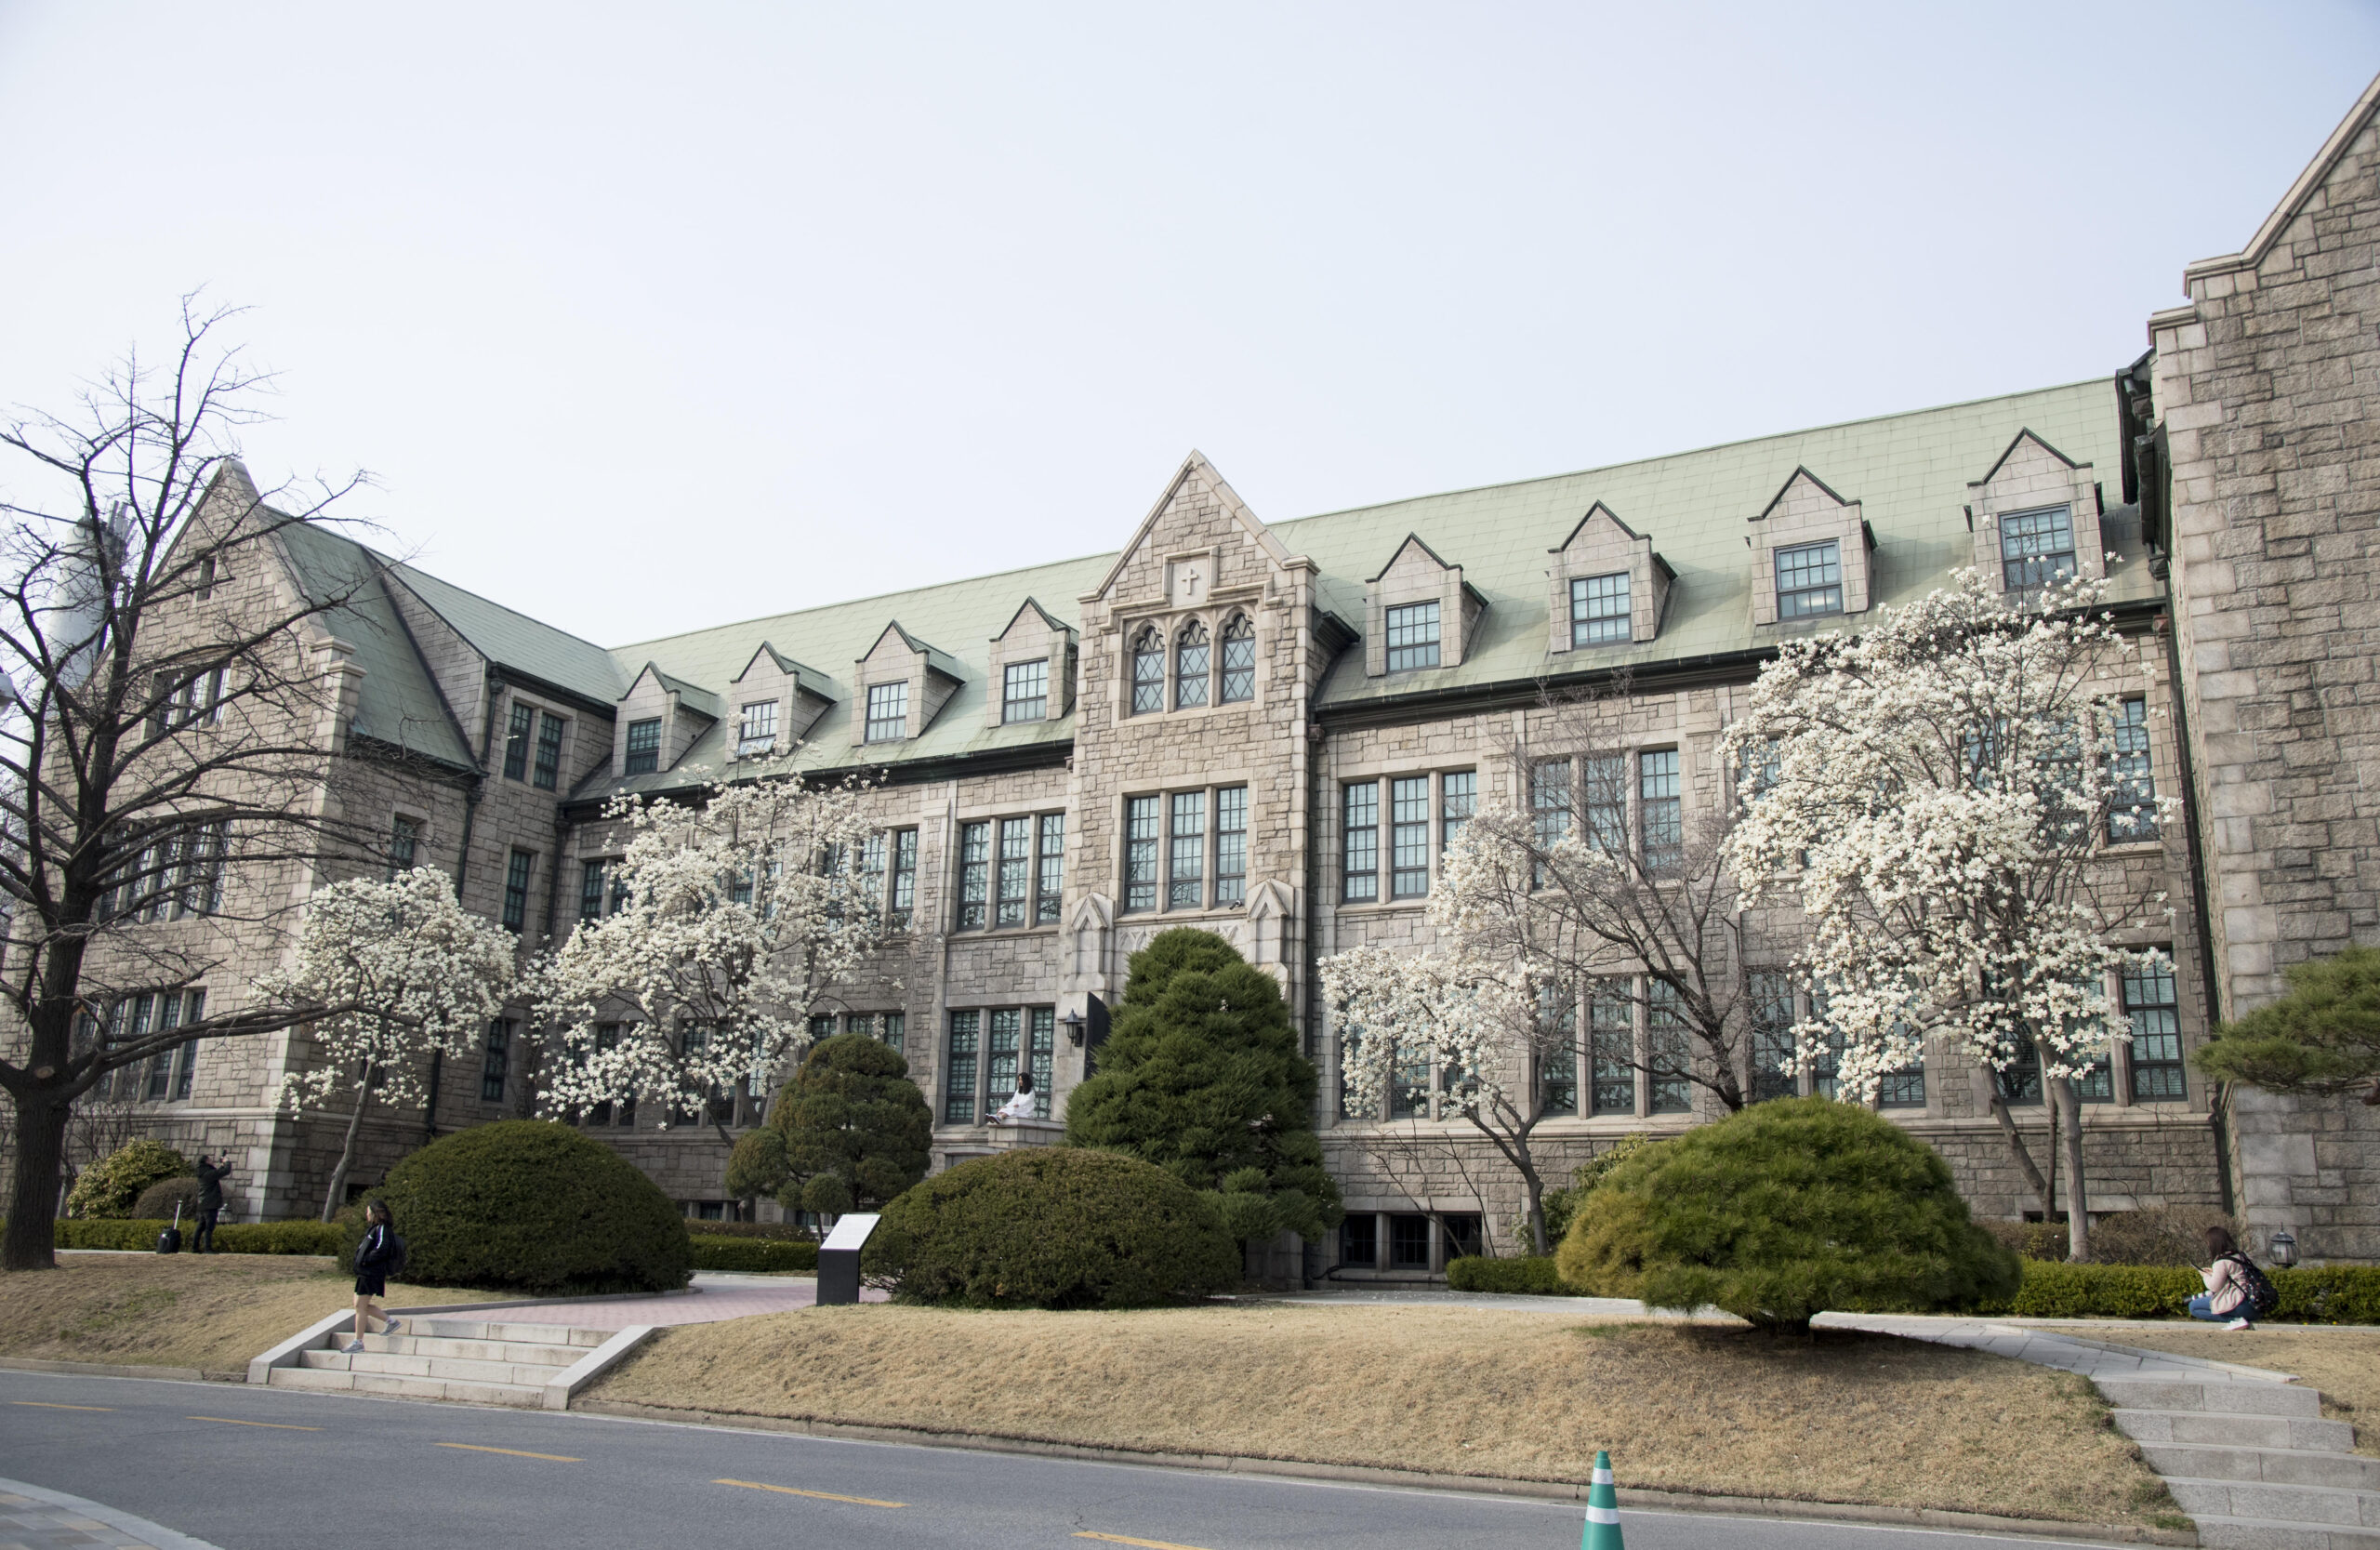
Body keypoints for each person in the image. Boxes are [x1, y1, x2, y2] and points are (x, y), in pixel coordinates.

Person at [345, 1199, 405, 1353]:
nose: (367, 1215)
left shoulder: (383, 1229)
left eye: (368, 1212)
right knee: (359, 1305)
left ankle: (358, 1342)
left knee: (360, 1306)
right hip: (365, 1273)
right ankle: (391, 1321)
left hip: (371, 1273)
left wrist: (366, 1260)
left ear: (375, 1213)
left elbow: (382, 1249)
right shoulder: (374, 1229)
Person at [2189, 1225, 2257, 1331]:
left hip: (2239, 1303)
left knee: (2193, 1307)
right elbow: (2236, 1276)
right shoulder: (2241, 1256)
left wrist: (2205, 1275)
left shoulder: (2221, 1261)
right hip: (2254, 1305)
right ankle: (2240, 1319)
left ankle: (2235, 1320)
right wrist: (2214, 1273)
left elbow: (2214, 1287)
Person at [192, 1154, 230, 1253]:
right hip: (210, 1204)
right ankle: (207, 1248)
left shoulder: (203, 1172)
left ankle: (195, 1248)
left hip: (203, 1203)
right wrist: (227, 1162)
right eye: (210, 1159)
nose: (212, 1161)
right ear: (206, 1161)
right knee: (209, 1227)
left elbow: (217, 1173)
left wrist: (222, 1165)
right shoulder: (208, 1173)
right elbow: (225, 1171)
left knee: (201, 1226)